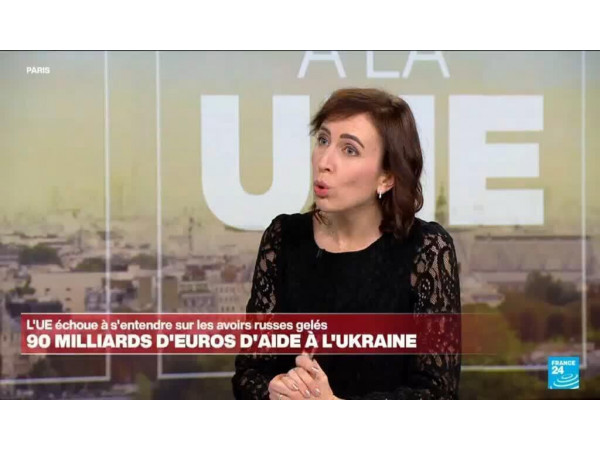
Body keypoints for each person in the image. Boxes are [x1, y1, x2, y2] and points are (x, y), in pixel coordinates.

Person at [231, 87, 461, 400]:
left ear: (386, 177)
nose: (324, 161)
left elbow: (437, 394)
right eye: (323, 140)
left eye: (349, 150)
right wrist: (275, 391)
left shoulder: (427, 249)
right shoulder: (283, 238)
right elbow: (248, 375)